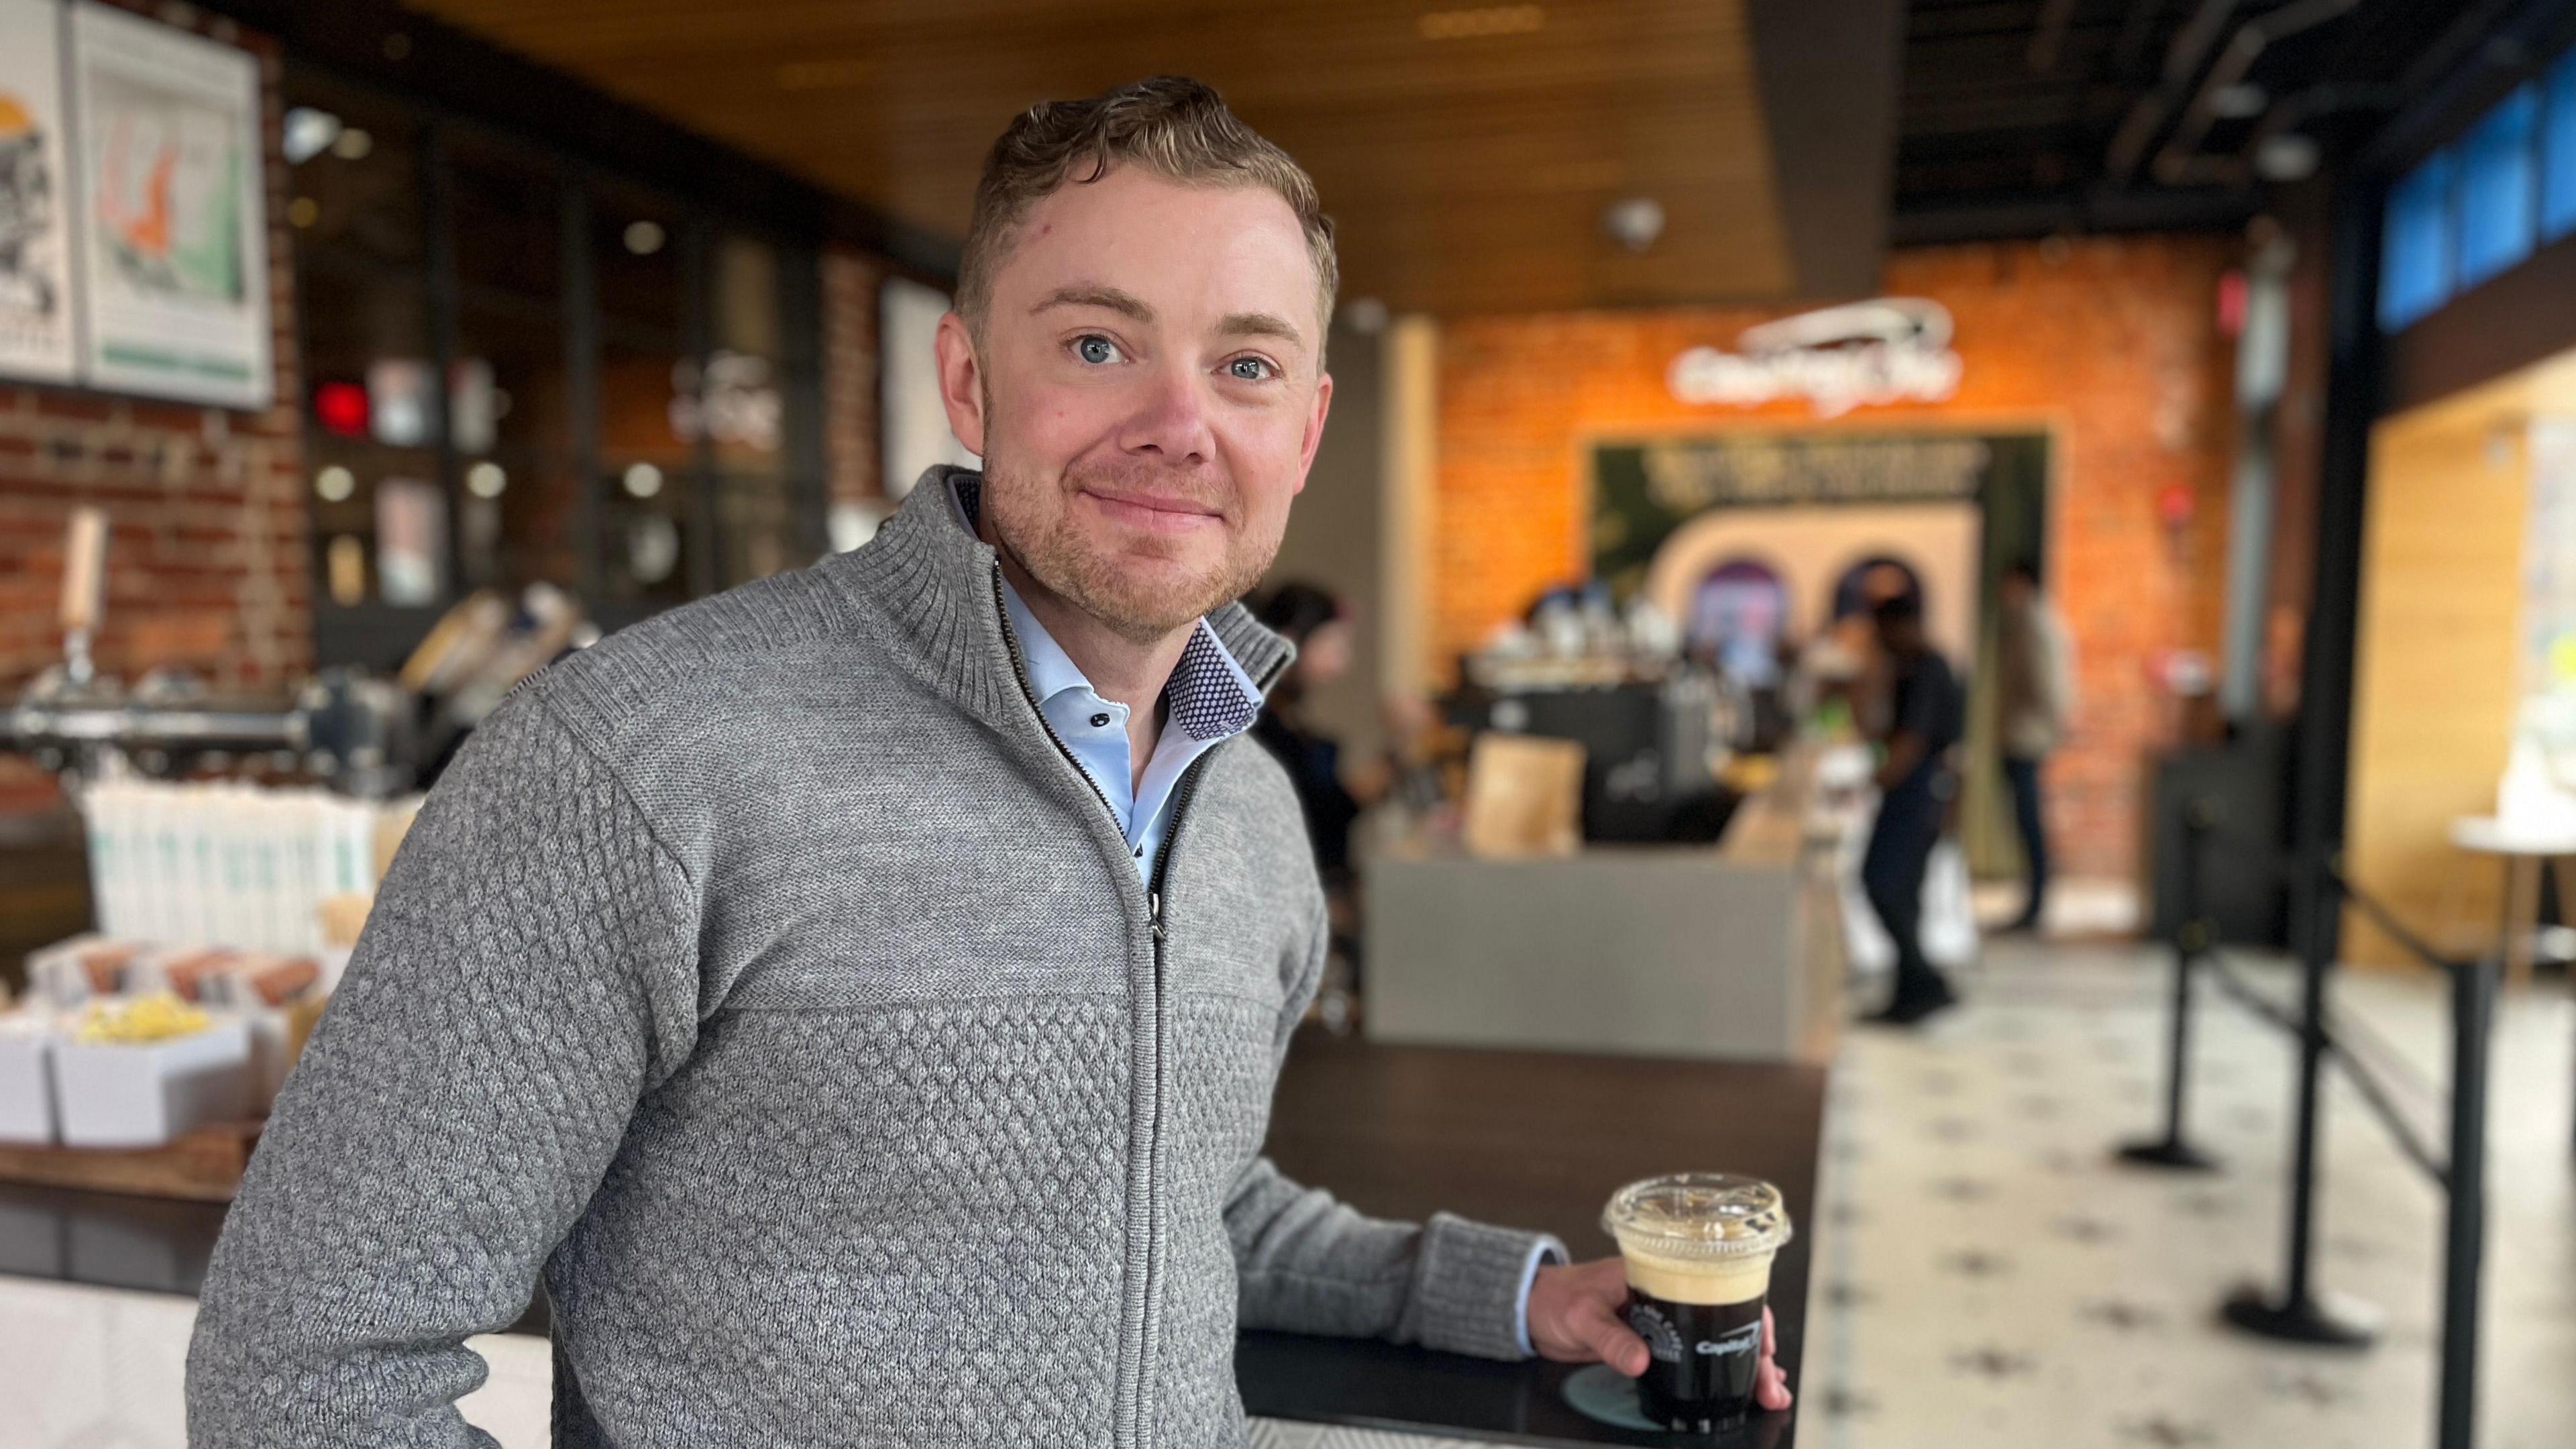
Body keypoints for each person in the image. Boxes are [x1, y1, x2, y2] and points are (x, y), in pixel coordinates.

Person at [184, 77, 1788, 1447]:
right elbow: (311, 1363)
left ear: (1300, 427)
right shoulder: (635, 762)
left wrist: (1513, 1292)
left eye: (1241, 365)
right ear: (967, 380)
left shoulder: (1245, 806)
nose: (1178, 421)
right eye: (1097, 344)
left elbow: (1169, 1203)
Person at [1860, 593, 1966, 1026]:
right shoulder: (1910, 668)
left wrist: (1875, 781)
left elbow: (1911, 742)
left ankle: (1923, 981)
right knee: (1900, 891)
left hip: (1918, 793)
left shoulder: (1929, 669)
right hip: (1913, 792)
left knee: (1885, 884)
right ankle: (1914, 986)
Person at [1995, 560, 2074, 933]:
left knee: (2029, 821)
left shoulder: (2035, 623)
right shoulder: (2029, 621)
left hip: (2027, 737)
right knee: (2025, 819)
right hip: (2023, 734)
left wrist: (2053, 726)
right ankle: (2033, 898)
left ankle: (2036, 901)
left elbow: (2050, 686)